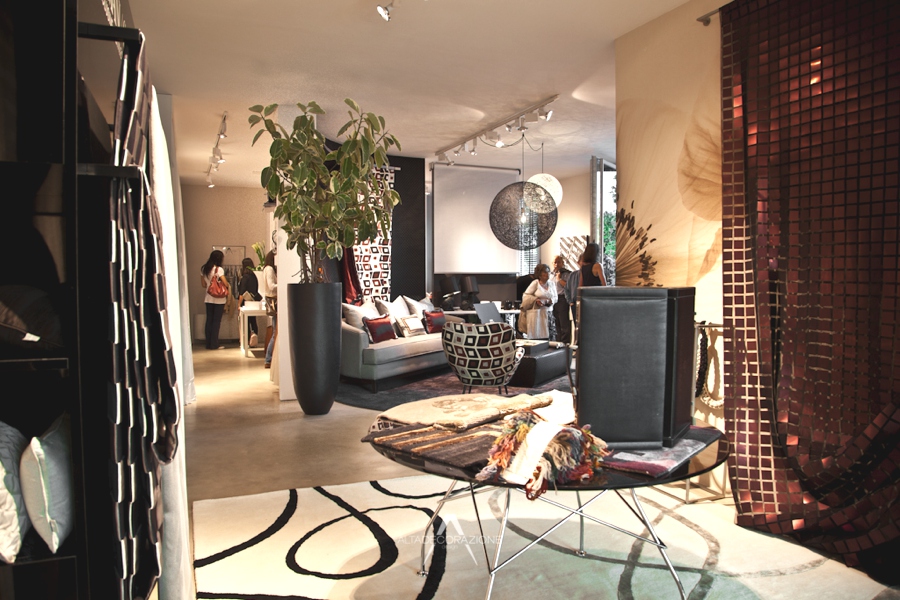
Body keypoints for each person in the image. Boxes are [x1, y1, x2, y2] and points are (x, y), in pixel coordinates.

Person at [201, 250, 230, 350]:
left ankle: (208, 344)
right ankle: (214, 344)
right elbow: (226, 284)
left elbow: (203, 284)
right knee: (216, 322)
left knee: (209, 320)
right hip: (219, 300)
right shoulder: (219, 269)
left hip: (208, 298)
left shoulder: (204, 268)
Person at [521, 263, 557, 339]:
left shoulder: (552, 284)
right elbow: (525, 296)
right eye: (545, 272)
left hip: (549, 313)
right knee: (538, 336)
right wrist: (536, 300)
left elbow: (555, 297)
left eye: (548, 272)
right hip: (537, 315)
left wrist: (551, 301)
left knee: (550, 337)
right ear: (540, 274)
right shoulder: (535, 283)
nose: (547, 274)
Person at [238, 258, 262, 348]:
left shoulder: (245, 277)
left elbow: (242, 292)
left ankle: (247, 341)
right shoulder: (255, 276)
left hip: (246, 302)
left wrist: (239, 304)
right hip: (254, 302)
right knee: (253, 321)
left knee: (246, 322)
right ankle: (254, 339)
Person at [262, 249, 277, 368]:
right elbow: (271, 286)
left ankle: (269, 359)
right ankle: (268, 358)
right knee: (275, 332)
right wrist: (283, 283)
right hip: (275, 302)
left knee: (275, 331)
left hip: (272, 302)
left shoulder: (266, 269)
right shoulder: (270, 269)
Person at [552, 255, 572, 343]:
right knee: (556, 324)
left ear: (562, 263)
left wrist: (559, 279)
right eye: (555, 262)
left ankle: (565, 344)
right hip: (553, 299)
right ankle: (558, 343)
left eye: (559, 262)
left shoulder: (566, 274)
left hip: (562, 299)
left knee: (564, 324)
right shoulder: (551, 274)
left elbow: (568, 286)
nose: (557, 264)